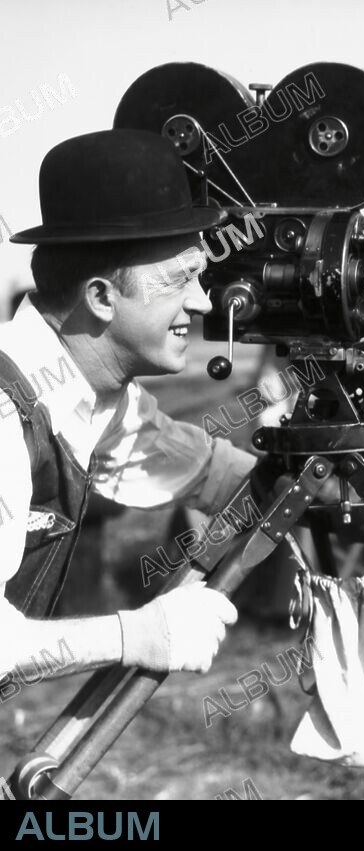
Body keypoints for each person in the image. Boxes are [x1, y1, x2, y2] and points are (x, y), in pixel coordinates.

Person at [0, 129, 254, 690]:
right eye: (179, 280)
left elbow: (192, 467)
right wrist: (135, 635)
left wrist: (320, 483)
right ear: (100, 298)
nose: (204, 302)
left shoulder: (94, 395)